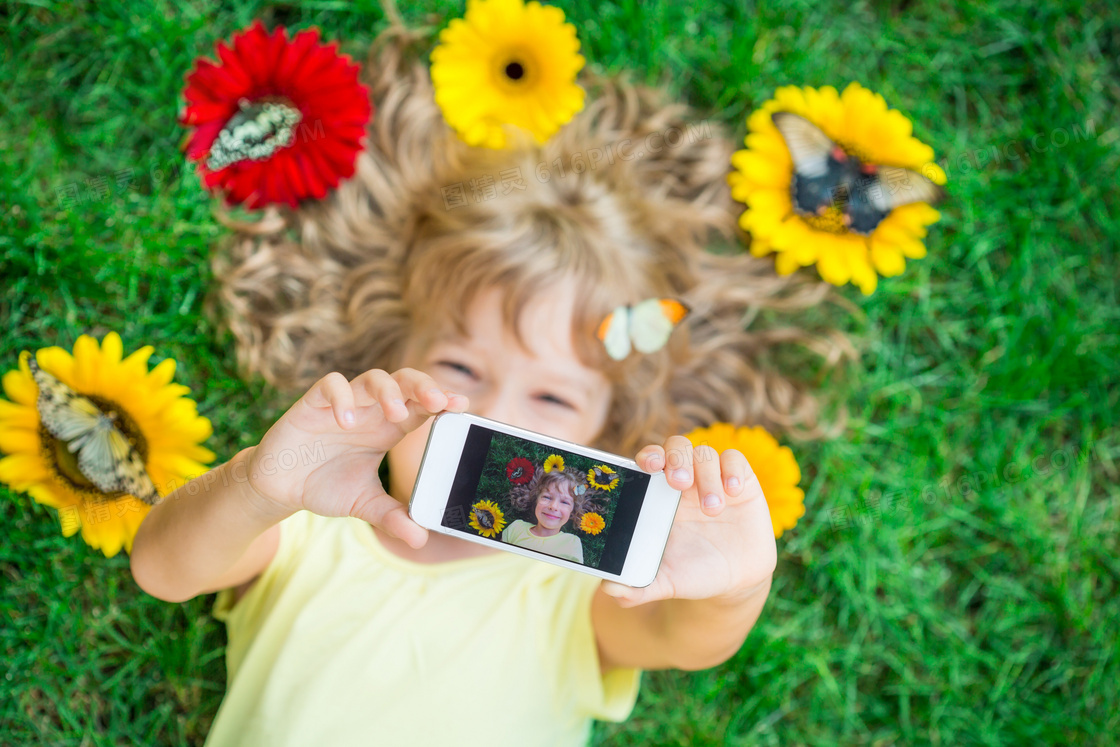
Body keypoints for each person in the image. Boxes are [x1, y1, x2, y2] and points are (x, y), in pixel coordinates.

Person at [129, 19, 849, 747]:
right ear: (395, 363)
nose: (497, 417)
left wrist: (736, 583)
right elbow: (163, 568)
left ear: (603, 437)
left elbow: (684, 637)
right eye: (460, 371)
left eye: (553, 398)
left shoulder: (571, 590)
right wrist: (259, 484)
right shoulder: (315, 531)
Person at [501, 469, 588, 564]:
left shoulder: (571, 543)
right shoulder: (516, 528)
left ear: (572, 511)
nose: (553, 507)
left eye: (564, 502)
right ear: (536, 500)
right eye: (547, 497)